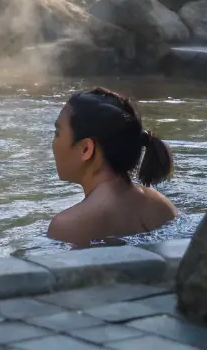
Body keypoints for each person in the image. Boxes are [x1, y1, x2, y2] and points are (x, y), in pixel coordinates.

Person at [47, 87, 177, 246]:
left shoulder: (67, 225)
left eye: (57, 133)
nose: (53, 143)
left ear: (86, 149)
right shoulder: (162, 206)